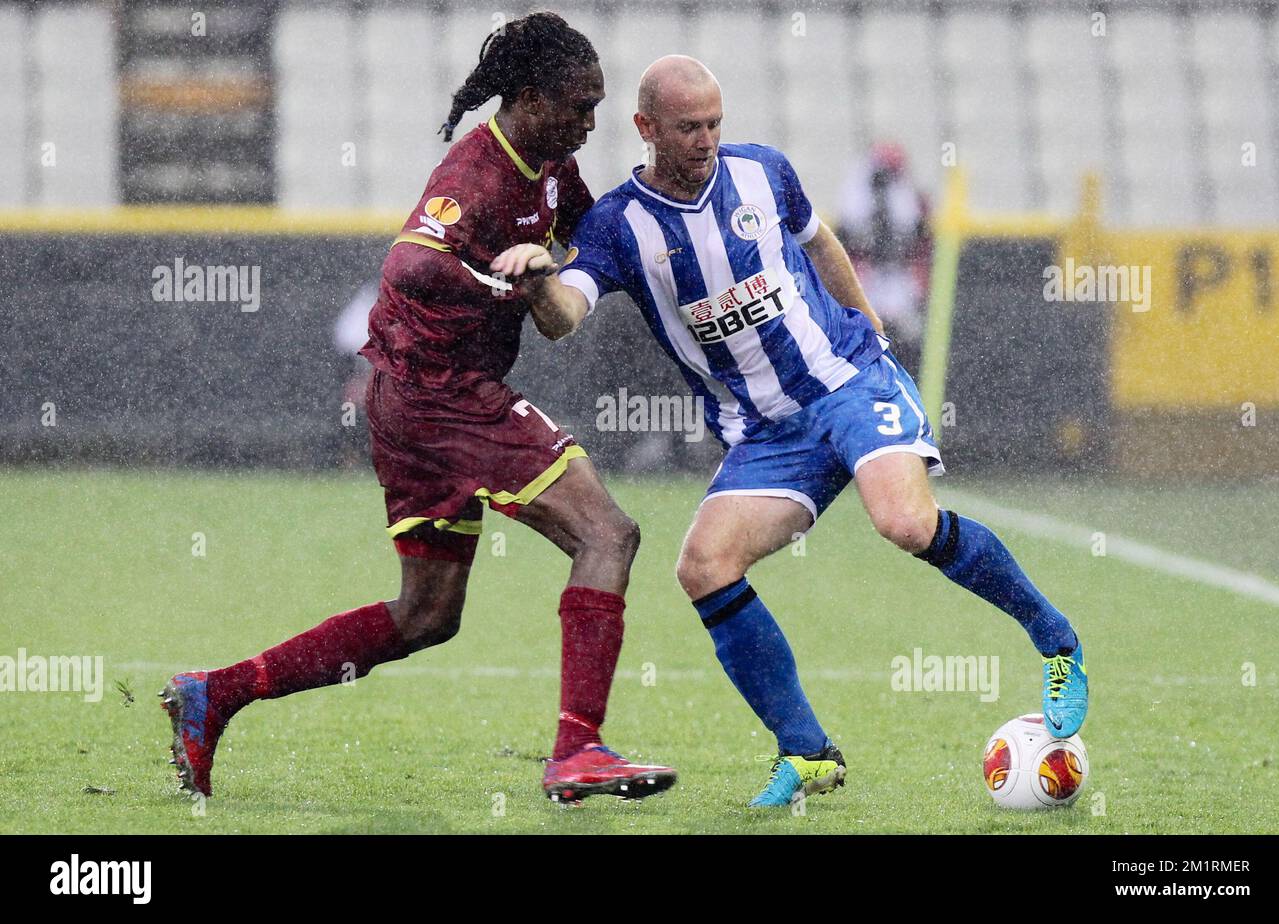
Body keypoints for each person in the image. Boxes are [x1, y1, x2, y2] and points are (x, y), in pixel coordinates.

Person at [491, 55, 1087, 808]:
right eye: (688, 127)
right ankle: (806, 751)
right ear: (645, 127)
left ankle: (1056, 640)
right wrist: (539, 278)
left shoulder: (763, 172)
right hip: (767, 432)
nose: (706, 139)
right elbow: (564, 317)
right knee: (704, 566)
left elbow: (821, 243)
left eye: (714, 123)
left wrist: (871, 334)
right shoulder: (617, 223)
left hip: (847, 383)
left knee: (905, 523)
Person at [161, 12, 677, 805]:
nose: (590, 122)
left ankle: (215, 693)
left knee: (427, 614)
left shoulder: (549, 165)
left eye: (597, 107)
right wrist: (500, 280)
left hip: (415, 400)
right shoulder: (476, 175)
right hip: (443, 396)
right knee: (608, 533)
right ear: (531, 99)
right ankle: (578, 750)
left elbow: (595, 231)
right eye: (580, 106)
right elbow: (408, 263)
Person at [836, 142, 931, 374]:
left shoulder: (906, 196)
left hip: (898, 274)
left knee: (906, 335)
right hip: (868, 274)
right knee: (867, 333)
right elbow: (851, 232)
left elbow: (914, 233)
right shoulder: (858, 191)